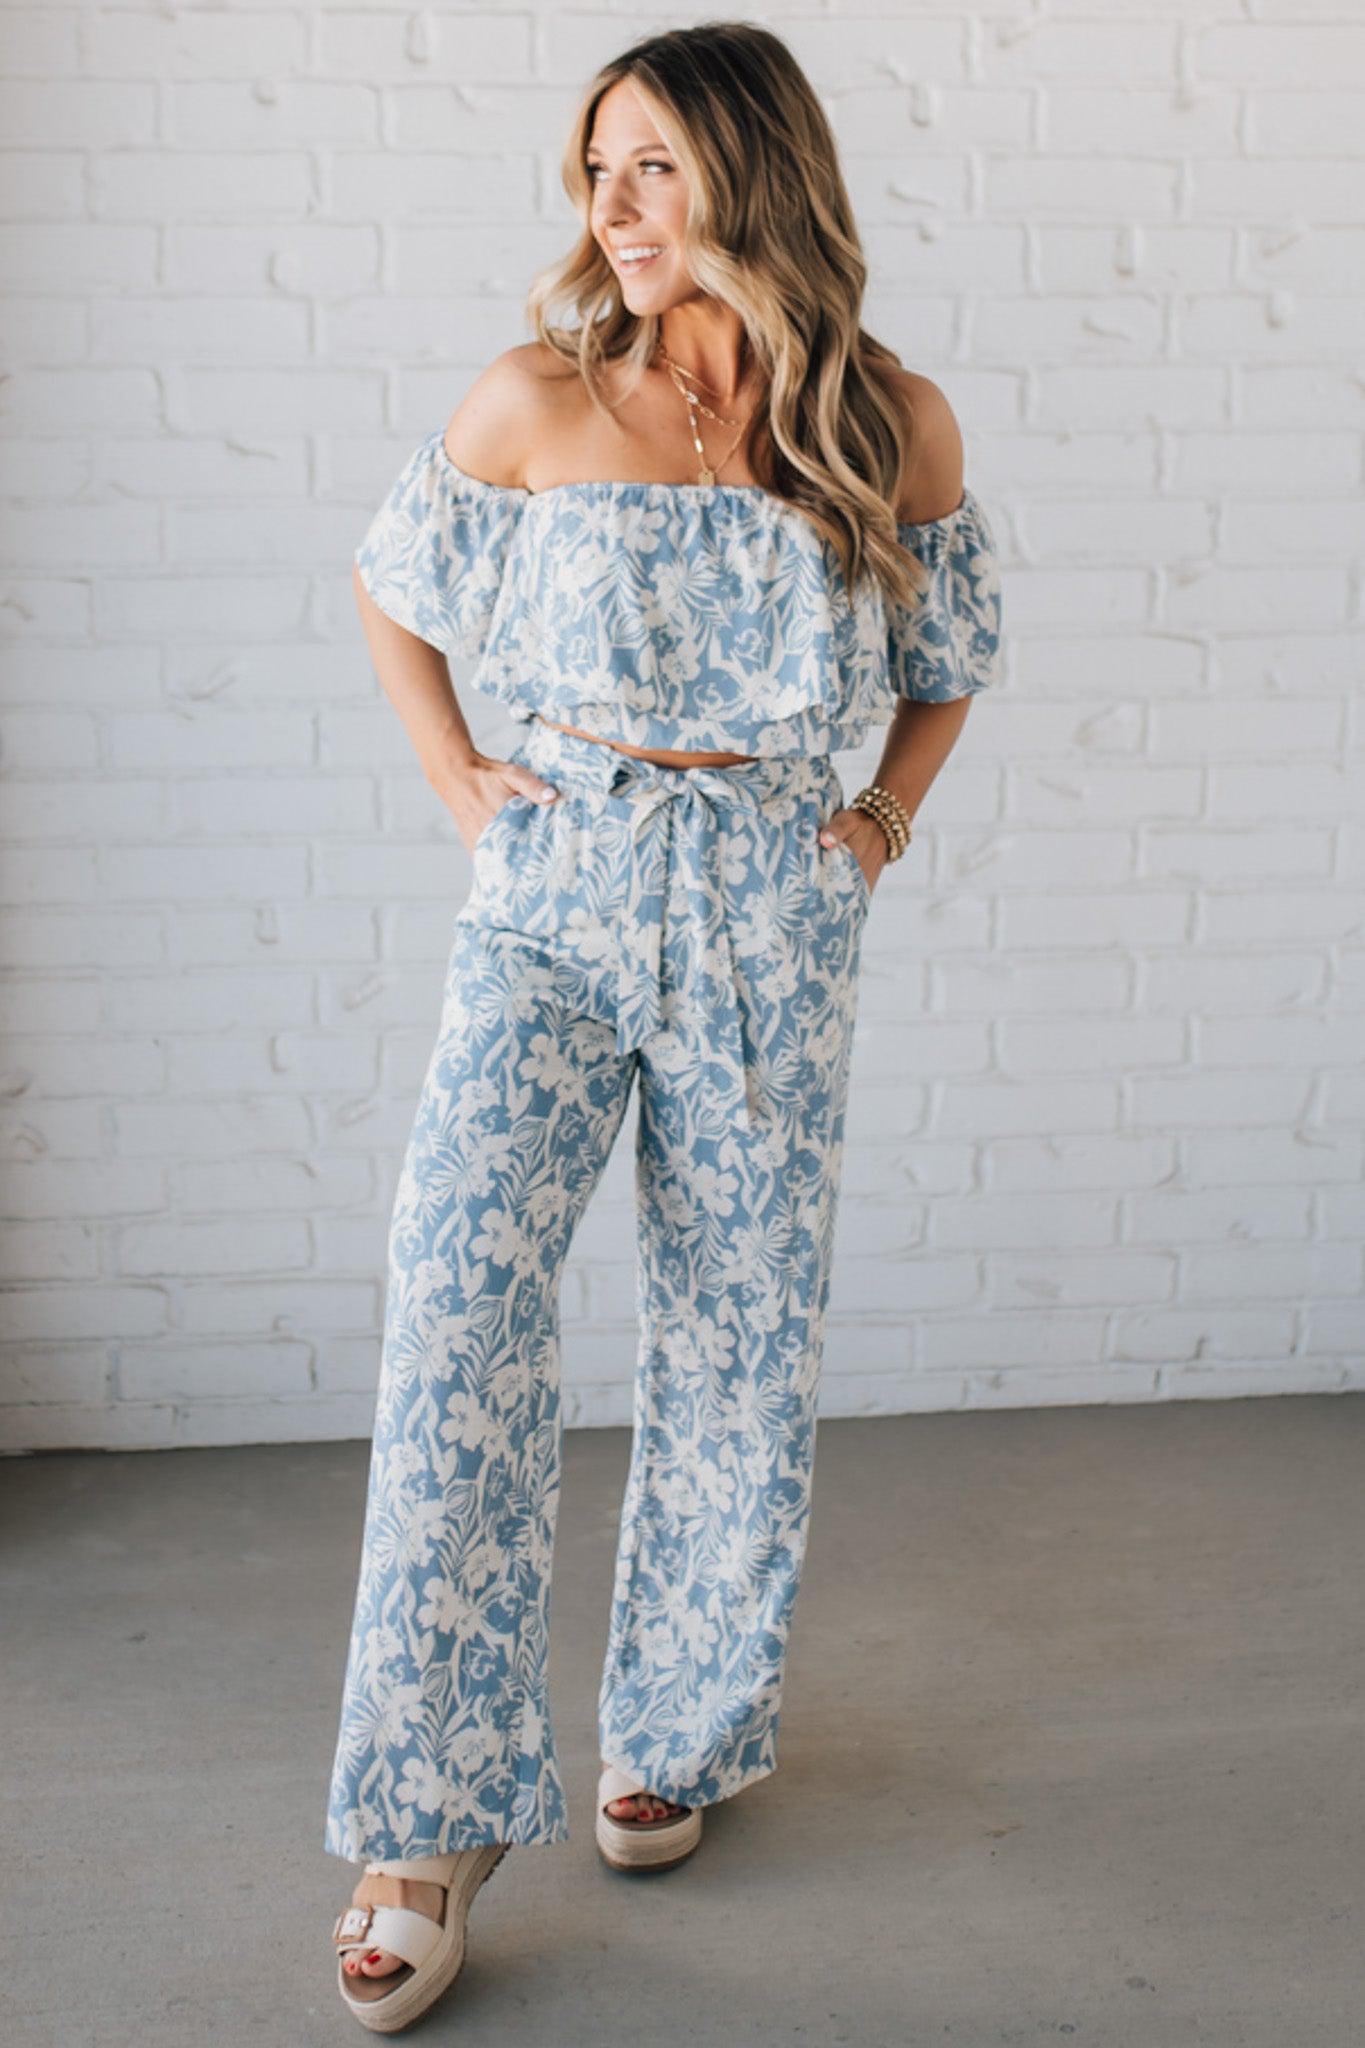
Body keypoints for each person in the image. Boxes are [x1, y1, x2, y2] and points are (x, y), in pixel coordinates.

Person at [323, 20, 1002, 2032]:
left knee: (734, 1322)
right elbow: (390, 587)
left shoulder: (884, 422)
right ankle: (424, 1821)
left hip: (768, 911)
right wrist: (459, 780)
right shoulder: (533, 400)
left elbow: (950, 657)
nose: (604, 210)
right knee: (457, 1298)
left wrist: (876, 814)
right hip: (556, 888)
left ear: (746, 173)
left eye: (645, 168)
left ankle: (673, 1735)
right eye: (590, 170)